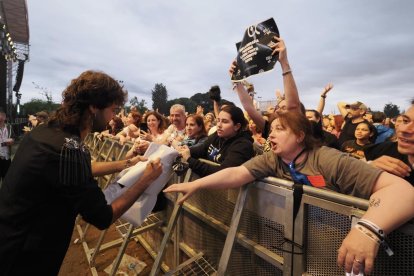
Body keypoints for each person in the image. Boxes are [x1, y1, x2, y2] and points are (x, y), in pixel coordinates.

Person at [164, 111, 414, 275]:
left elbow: (403, 191)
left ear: (300, 136)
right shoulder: (273, 159)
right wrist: (196, 184)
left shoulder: (330, 160)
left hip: (361, 256)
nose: (270, 134)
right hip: (315, 249)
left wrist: (367, 230)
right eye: (270, 129)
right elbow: (236, 174)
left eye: (279, 129)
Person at [0, 71, 163, 275]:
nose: (114, 117)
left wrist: (126, 163)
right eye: (113, 110)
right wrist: (145, 181)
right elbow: (103, 217)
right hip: (25, 257)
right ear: (94, 107)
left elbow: (73, 171)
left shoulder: (45, 132)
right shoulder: (70, 150)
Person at [177, 105, 254, 177]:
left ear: (237, 126)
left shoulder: (243, 145)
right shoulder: (217, 135)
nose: (219, 125)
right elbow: (201, 149)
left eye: (224, 121)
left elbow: (223, 174)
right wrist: (186, 150)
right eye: (218, 120)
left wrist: (189, 160)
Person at [364, 99, 414, 185]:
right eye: (405, 121)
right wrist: (368, 168)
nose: (403, 129)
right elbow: (352, 168)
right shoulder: (385, 149)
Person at [0, 111, 13, 185]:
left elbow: (14, 137)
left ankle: (4, 193)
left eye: (2, 116)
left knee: (6, 177)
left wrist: (12, 140)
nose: (1, 118)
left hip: (7, 156)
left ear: (4, 118)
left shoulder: (9, 127)